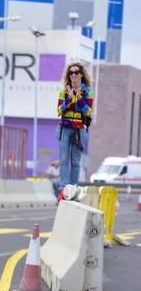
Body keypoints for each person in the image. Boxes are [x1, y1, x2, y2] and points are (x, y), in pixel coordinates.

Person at [56, 62, 93, 194]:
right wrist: (69, 100)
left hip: (80, 129)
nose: (73, 75)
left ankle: (74, 187)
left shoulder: (88, 91)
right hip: (64, 128)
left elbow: (88, 111)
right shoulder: (64, 91)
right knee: (64, 159)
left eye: (76, 72)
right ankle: (64, 188)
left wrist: (77, 98)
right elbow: (59, 111)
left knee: (75, 161)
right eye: (71, 73)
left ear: (81, 74)